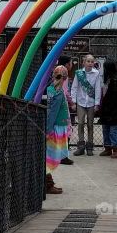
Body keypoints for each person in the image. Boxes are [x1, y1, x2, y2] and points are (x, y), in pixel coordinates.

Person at [44, 64, 70, 194]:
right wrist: (48, 130)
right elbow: (53, 112)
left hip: (55, 126)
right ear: (65, 78)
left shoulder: (50, 89)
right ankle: (47, 184)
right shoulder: (58, 93)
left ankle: (48, 182)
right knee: (50, 157)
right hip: (56, 128)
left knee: (50, 156)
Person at [70, 53, 102, 155]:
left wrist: (97, 103)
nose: (90, 63)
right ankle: (81, 147)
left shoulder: (96, 73)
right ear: (84, 62)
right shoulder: (79, 73)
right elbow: (74, 87)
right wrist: (73, 102)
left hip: (91, 103)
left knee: (90, 124)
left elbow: (98, 89)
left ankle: (90, 147)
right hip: (81, 102)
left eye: (92, 61)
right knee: (80, 123)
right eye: (88, 61)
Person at [97, 59, 117, 158]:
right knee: (105, 129)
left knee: (113, 130)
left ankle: (116, 149)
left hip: (113, 110)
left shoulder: (116, 81)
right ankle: (107, 148)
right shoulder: (107, 80)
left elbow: (116, 97)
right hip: (106, 109)